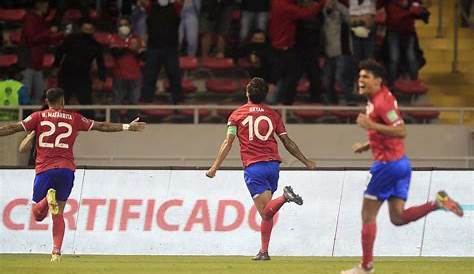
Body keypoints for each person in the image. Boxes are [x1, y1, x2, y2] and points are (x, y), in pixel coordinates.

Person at [341, 60, 463, 274]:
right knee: (397, 218)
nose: (360, 80)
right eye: (360, 77)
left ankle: (366, 267)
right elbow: (387, 130)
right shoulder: (379, 98)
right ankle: (437, 203)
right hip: (401, 165)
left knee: (367, 216)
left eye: (366, 77)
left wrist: (370, 126)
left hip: (386, 166)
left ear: (378, 81)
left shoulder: (381, 103)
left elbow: (401, 131)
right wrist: (367, 144)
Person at [0, 88, 146, 262]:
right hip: (66, 169)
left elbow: (13, 128)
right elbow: (101, 126)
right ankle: (56, 253)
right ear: (63, 101)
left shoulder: (38, 117)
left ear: (47, 101)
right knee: (58, 214)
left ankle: (47, 199)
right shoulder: (75, 118)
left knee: (38, 215)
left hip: (44, 169)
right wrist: (128, 126)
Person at [206, 77, 315, 260]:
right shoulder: (273, 115)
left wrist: (215, 167)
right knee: (267, 213)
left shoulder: (237, 115)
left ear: (247, 93)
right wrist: (305, 161)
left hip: (254, 167)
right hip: (273, 166)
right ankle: (264, 251)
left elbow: (228, 142)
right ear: (265, 95)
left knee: (265, 212)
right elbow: (286, 141)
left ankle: (285, 196)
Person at [54, 19, 105, 119]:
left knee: (86, 102)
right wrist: (55, 66)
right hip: (67, 74)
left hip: (82, 76)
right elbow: (59, 52)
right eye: (85, 28)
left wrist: (102, 77)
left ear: (93, 30)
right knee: (60, 100)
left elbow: (100, 62)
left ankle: (89, 124)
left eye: (89, 29)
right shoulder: (71, 39)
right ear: (81, 28)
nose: (87, 31)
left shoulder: (95, 45)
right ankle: (52, 121)